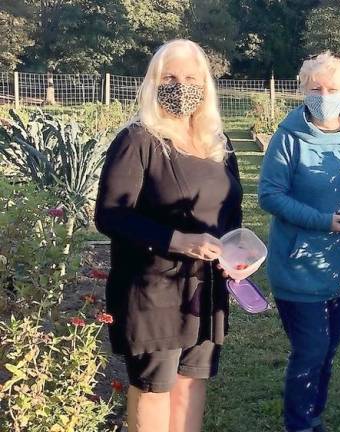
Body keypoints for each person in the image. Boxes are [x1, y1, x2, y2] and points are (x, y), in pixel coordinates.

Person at [94, 39, 242, 432]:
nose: (181, 86)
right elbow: (111, 214)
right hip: (153, 290)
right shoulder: (138, 140)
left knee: (192, 382)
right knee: (154, 387)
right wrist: (181, 241)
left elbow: (231, 213)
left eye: (191, 77)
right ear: (153, 82)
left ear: (206, 85)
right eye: (171, 77)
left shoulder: (219, 145)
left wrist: (235, 256)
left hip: (205, 291)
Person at [258, 52, 340, 432]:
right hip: (298, 265)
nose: (324, 95)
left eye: (333, 88)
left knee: (328, 351)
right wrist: (324, 222)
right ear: (302, 90)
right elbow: (270, 195)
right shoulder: (288, 136)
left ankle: (313, 417)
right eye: (316, 88)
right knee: (310, 351)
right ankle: (300, 425)